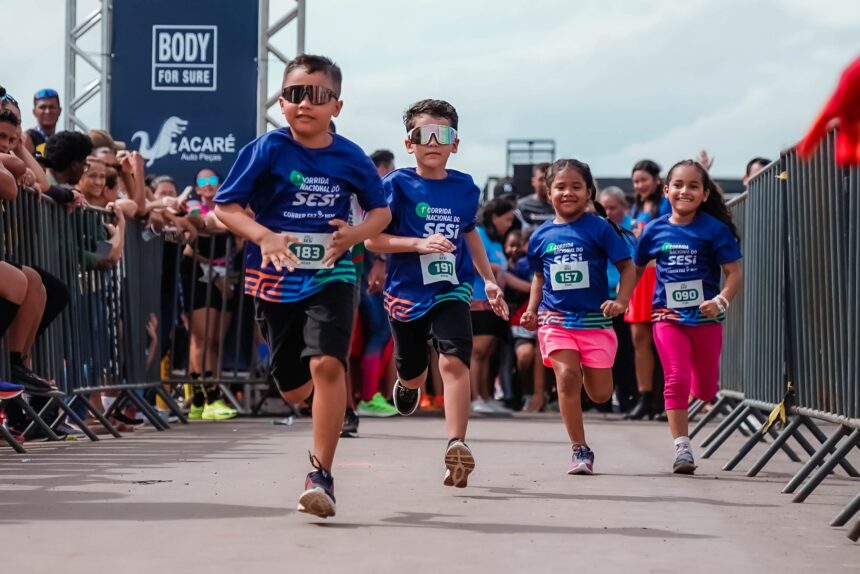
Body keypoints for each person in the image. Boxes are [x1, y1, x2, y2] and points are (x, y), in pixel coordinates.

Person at [214, 54, 391, 518]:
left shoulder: (350, 155)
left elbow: (381, 211)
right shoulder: (266, 149)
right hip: (274, 280)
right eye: (294, 94)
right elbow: (225, 207)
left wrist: (355, 236)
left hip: (332, 274)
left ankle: (321, 475)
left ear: (337, 105)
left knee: (329, 363)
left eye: (317, 95)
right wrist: (264, 235)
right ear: (282, 100)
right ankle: (322, 404)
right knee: (293, 388)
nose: (304, 104)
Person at [365, 98, 507, 489]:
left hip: (452, 288)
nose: (432, 141)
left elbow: (469, 232)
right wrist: (417, 244)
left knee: (454, 362)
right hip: (406, 292)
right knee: (414, 369)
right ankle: (407, 383)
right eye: (421, 134)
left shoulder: (465, 187)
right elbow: (373, 240)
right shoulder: (395, 184)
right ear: (409, 143)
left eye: (441, 134)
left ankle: (456, 444)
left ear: (454, 143)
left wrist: (488, 279)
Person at [520, 159, 635, 475]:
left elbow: (628, 268)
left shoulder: (599, 227)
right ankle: (580, 450)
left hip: (595, 323)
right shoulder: (540, 235)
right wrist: (531, 310)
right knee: (568, 377)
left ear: (588, 192)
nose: (567, 192)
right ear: (548, 192)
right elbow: (539, 278)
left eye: (575, 186)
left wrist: (621, 301)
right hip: (556, 320)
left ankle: (588, 370)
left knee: (600, 394)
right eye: (560, 187)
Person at [634, 159, 742, 474]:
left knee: (706, 389)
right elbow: (636, 267)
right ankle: (682, 448)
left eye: (693, 186)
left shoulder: (715, 230)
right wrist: (623, 299)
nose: (685, 191)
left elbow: (734, 273)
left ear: (705, 194)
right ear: (666, 190)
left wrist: (720, 301)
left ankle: (701, 391)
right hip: (667, 317)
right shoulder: (654, 229)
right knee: (676, 378)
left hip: (706, 320)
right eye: (678, 185)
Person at [625, 159, 669, 420]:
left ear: (656, 179)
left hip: (662, 274)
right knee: (639, 339)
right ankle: (644, 397)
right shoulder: (636, 206)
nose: (639, 185)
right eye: (635, 181)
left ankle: (665, 398)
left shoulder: (666, 202)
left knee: (663, 338)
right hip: (639, 275)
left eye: (643, 180)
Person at [470, 197, 521, 414]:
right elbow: (471, 260)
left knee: (487, 353)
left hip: (492, 304)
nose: (509, 224)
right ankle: (474, 398)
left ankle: (485, 395)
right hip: (476, 300)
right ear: (494, 216)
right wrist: (497, 271)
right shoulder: (478, 234)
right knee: (477, 352)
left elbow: (505, 274)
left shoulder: (496, 241)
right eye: (507, 219)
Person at [598, 186, 637, 412]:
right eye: (605, 208)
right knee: (602, 355)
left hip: (626, 301)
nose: (609, 212)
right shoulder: (598, 227)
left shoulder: (634, 230)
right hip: (601, 302)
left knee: (625, 354)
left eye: (614, 208)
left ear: (624, 207)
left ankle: (627, 399)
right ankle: (601, 403)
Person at [516, 163, 554, 229]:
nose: (545, 184)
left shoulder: (560, 205)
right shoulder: (521, 206)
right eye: (541, 179)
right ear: (533, 181)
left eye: (548, 179)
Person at [24, 88, 61, 156]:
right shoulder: (27, 137)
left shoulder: (61, 141)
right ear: (34, 112)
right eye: (42, 107)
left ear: (59, 111)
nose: (48, 111)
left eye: (51, 107)